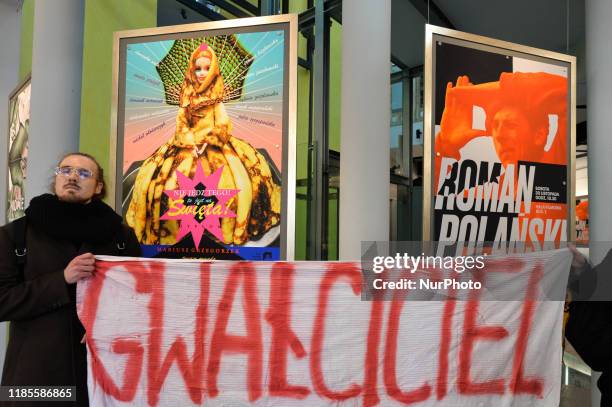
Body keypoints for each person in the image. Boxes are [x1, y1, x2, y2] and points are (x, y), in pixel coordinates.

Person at [0, 152, 141, 407]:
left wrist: (109, 324)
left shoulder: (121, 237)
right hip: (34, 379)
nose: (73, 176)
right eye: (65, 170)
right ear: (56, 179)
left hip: (103, 375)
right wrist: (62, 280)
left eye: (84, 173)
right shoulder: (16, 234)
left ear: (98, 187)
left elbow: (138, 300)